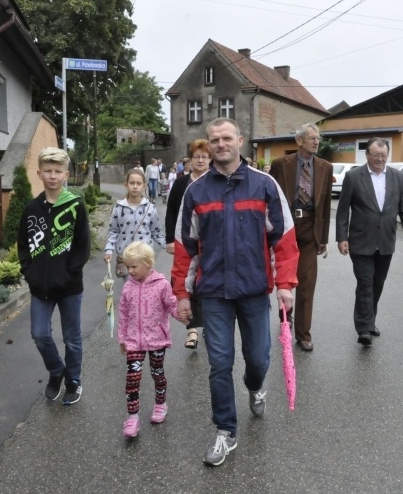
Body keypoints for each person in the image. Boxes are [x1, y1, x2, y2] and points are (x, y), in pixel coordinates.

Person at [171, 118, 299, 466]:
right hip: (213, 294)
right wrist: (182, 294)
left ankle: (256, 387)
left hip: (255, 292)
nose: (220, 144)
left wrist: (285, 285)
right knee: (219, 364)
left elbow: (285, 240)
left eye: (227, 138)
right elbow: (186, 248)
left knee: (257, 359)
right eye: (214, 140)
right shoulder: (195, 193)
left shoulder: (265, 186)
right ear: (208, 146)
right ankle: (225, 431)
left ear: (240, 141)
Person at [17, 147, 91, 404]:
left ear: (66, 174)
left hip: (70, 287)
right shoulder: (31, 209)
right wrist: (29, 271)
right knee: (40, 333)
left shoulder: (75, 205)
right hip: (41, 287)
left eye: (58, 171)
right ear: (39, 173)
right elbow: (24, 245)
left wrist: (69, 274)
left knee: (72, 338)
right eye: (47, 171)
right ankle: (56, 371)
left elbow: (82, 245)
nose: (52, 176)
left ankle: (73, 380)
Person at [335, 137, 403, 346]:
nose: (380, 159)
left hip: (386, 240)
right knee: (365, 282)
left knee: (377, 283)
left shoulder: (398, 178)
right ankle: (364, 327)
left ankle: (370, 320)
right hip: (360, 240)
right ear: (367, 155)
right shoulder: (354, 176)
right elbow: (343, 209)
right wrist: (342, 237)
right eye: (376, 156)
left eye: (383, 156)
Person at [269, 123, 333, 352]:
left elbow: (325, 206)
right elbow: (269, 197)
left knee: (307, 284)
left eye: (318, 138)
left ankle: (303, 334)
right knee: (284, 280)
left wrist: (323, 239)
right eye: (312, 138)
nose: (316, 142)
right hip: (286, 227)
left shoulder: (325, 167)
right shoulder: (280, 164)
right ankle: (285, 319)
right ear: (299, 141)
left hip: (309, 228)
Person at [117, 242, 180, 438]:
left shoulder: (161, 284)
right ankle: (132, 417)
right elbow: (123, 313)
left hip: (156, 339)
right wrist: (122, 338)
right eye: (128, 267)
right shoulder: (128, 287)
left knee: (157, 373)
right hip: (134, 340)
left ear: (148, 263)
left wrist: (184, 314)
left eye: (134, 267)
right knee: (132, 379)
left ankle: (161, 404)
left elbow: (172, 305)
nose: (130, 271)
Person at [165, 139, 211, 349]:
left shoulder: (215, 181)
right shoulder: (182, 183)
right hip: (184, 242)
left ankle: (210, 327)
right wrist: (169, 239)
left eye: (204, 156)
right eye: (196, 157)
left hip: (209, 244)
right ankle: (192, 330)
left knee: (207, 283)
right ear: (190, 160)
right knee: (186, 283)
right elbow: (171, 212)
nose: (200, 160)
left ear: (210, 159)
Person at [104, 168, 166, 278]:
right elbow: (113, 231)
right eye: (132, 183)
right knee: (130, 290)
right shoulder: (119, 208)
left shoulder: (150, 208)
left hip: (145, 257)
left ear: (144, 186)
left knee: (147, 291)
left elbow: (156, 232)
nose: (135, 186)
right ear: (126, 185)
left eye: (139, 183)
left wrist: (169, 246)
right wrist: (109, 250)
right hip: (126, 258)